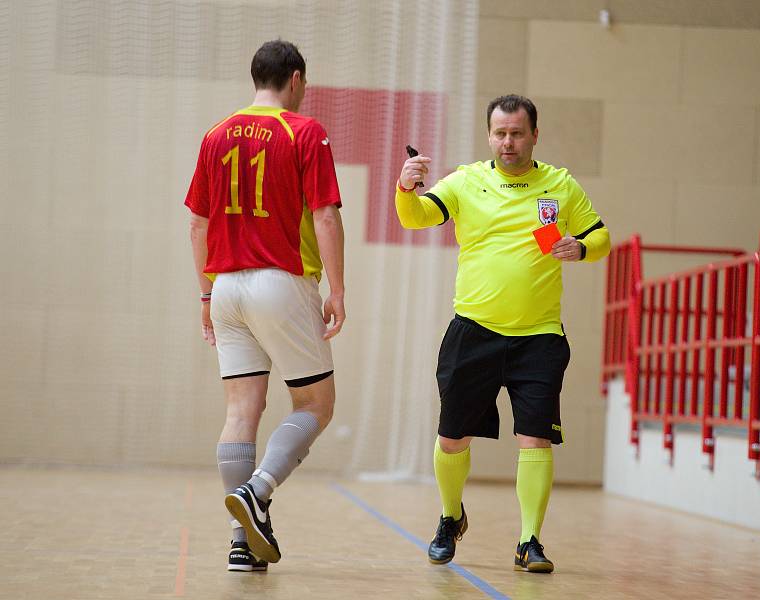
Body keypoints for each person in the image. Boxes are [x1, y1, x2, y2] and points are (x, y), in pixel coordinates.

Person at [394, 94, 609, 573]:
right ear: (488, 135)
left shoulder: (560, 184)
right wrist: (405, 189)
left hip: (539, 338)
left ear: (535, 135)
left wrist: (581, 247)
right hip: (473, 331)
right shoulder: (467, 181)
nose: (507, 142)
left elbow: (601, 236)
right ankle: (451, 517)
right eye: (499, 133)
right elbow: (418, 217)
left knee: (536, 438)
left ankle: (529, 540)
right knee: (453, 438)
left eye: (516, 133)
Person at [184, 40, 345, 571]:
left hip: (226, 284)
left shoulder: (215, 134)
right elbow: (325, 216)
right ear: (296, 79)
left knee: (240, 411)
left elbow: (197, 224)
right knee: (316, 405)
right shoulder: (305, 132)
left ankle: (240, 540)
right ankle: (258, 491)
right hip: (280, 281)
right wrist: (337, 290)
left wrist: (206, 293)